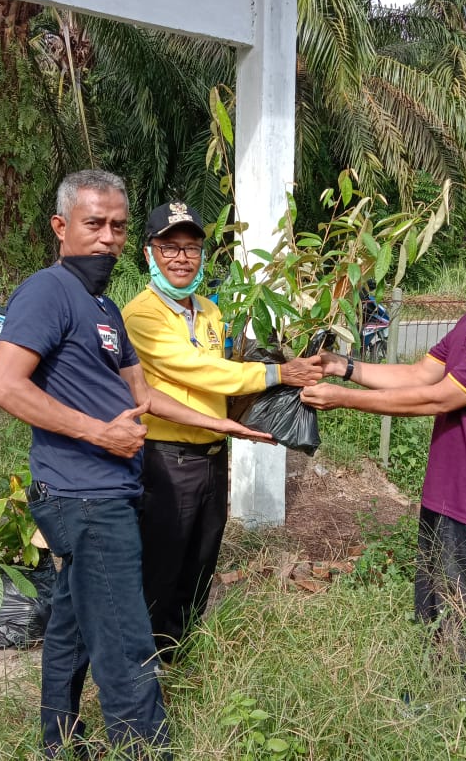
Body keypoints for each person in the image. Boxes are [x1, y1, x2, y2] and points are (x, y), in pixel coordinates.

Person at [0, 171, 272, 759]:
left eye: (117, 226)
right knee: (124, 637)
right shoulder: (47, 291)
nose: (107, 238)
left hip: (111, 488)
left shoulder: (104, 307)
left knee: (70, 621)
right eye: (94, 224)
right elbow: (4, 387)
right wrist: (98, 433)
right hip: (82, 494)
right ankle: (145, 749)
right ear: (61, 227)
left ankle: (58, 741)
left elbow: (140, 394)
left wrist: (221, 423)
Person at [301, 210, 466, 651]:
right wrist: (342, 367)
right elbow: (420, 374)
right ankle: (430, 707)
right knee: (435, 618)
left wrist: (340, 397)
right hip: (446, 499)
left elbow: (436, 398)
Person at [122, 201, 322, 663]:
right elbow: (201, 371)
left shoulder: (210, 311)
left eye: (191, 248)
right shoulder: (141, 315)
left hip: (213, 455)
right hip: (166, 457)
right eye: (169, 247)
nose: (181, 258)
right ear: (149, 253)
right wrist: (278, 376)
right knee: (162, 565)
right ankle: (146, 663)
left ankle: (181, 653)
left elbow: (229, 369)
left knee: (201, 561)